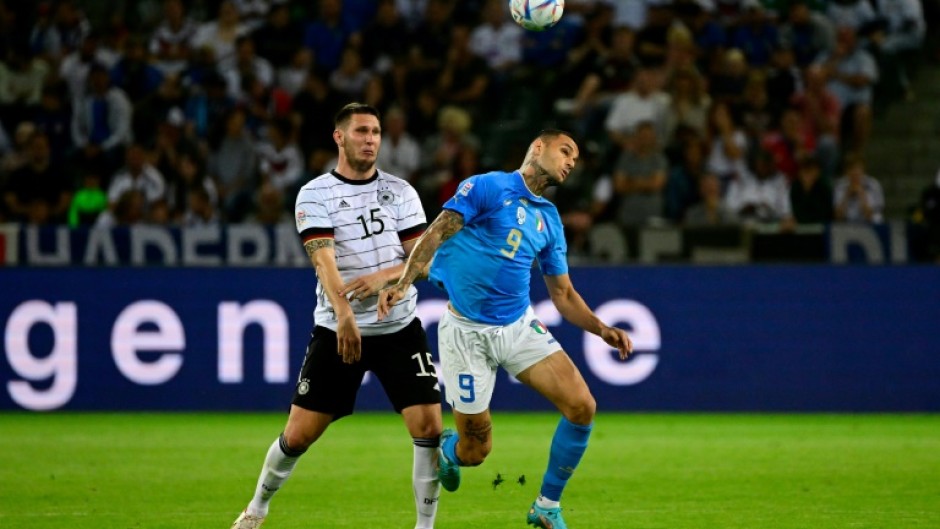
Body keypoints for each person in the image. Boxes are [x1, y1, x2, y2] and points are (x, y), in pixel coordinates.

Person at [378, 129, 633, 529]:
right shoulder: (487, 187)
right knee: (476, 451)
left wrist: (601, 328)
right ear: (537, 147)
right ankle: (450, 451)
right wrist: (403, 280)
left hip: (518, 326)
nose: (571, 162)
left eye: (576, 159)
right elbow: (437, 232)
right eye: (565, 151)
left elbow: (562, 294)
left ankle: (547, 505)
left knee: (583, 407)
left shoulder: (549, 220)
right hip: (465, 335)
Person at [230, 103, 444, 529]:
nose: (371, 140)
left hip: (399, 327)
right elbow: (323, 261)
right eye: (362, 131)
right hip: (338, 328)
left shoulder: (401, 191)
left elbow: (424, 258)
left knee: (429, 427)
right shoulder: (314, 194)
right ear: (339, 137)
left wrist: (391, 281)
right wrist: (344, 313)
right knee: (298, 435)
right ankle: (257, 509)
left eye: (377, 132)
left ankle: (425, 527)